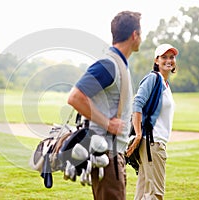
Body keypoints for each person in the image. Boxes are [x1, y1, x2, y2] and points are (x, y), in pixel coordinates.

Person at [67, 11, 142, 200]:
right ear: (135, 35)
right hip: (107, 155)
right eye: (141, 33)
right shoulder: (109, 64)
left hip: (113, 154)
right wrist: (108, 124)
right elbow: (75, 97)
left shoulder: (119, 64)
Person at [126, 43, 179, 200]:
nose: (168, 60)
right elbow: (137, 103)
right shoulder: (153, 78)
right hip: (153, 143)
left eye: (172, 57)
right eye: (164, 57)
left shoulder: (164, 83)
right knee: (155, 194)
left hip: (152, 143)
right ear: (156, 60)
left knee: (143, 194)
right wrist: (138, 133)